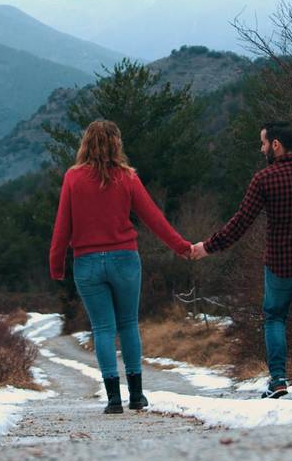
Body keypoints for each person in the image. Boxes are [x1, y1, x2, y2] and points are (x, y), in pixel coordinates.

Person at [190, 121, 292, 400]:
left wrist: (208, 247)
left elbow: (241, 222)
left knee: (274, 318)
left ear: (276, 144)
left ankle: (277, 380)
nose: (261, 147)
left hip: (279, 265)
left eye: (264, 142)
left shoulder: (264, 179)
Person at [50, 120, 193, 414]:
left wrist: (56, 265)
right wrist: (182, 247)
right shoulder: (127, 177)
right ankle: (137, 395)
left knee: (103, 328)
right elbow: (154, 217)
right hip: (124, 259)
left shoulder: (73, 178)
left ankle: (113, 398)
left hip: (87, 263)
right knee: (128, 325)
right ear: (117, 144)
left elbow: (63, 225)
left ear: (85, 144)